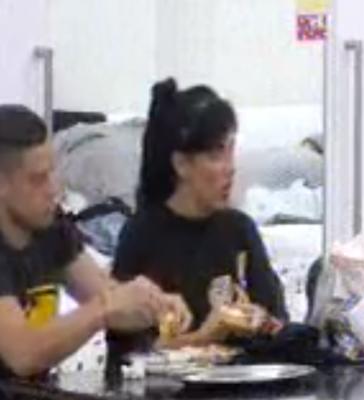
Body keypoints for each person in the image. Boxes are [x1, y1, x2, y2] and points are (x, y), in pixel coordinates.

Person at [0, 105, 192, 378]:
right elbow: (22, 354)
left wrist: (153, 304)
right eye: (38, 179)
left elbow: (103, 293)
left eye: (53, 172)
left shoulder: (48, 226)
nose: (54, 189)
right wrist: (104, 308)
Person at [111, 78, 288, 350]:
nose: (230, 168)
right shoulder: (142, 235)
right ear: (181, 164)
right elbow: (130, 352)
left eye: (231, 151)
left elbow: (278, 322)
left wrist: (261, 321)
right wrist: (205, 336)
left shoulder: (239, 229)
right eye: (217, 155)